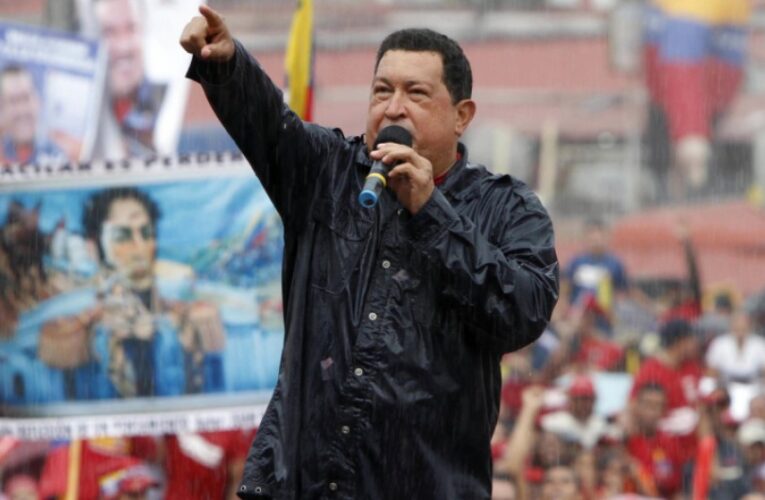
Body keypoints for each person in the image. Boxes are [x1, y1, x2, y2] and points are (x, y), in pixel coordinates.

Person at [180, 6, 559, 499]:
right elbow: (270, 124)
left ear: (462, 115)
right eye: (382, 90)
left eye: (416, 93)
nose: (394, 108)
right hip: (301, 484)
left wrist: (431, 212)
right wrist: (226, 64)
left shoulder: (507, 208)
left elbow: (522, 312)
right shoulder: (326, 174)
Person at [38, 187, 224, 399]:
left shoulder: (191, 320)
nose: (139, 246)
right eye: (122, 236)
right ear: (92, 248)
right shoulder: (72, 335)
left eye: (147, 233)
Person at [91, 0, 166, 158]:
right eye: (109, 32)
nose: (123, 46)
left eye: (131, 28)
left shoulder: (167, 102)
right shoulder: (82, 113)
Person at [0, 64, 67, 166]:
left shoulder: (58, 157)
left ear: (38, 102)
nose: (21, 110)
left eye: (26, 98)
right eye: (13, 101)